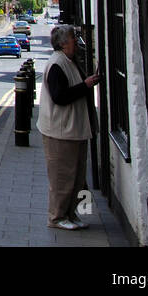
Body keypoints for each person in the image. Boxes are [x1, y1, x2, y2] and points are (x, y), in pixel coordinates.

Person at [38, 24, 101, 231]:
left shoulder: (69, 61)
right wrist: (86, 85)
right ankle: (56, 218)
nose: (77, 41)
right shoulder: (57, 64)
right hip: (60, 132)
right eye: (74, 38)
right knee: (62, 178)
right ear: (64, 43)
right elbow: (59, 97)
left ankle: (70, 214)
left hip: (73, 130)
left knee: (76, 177)